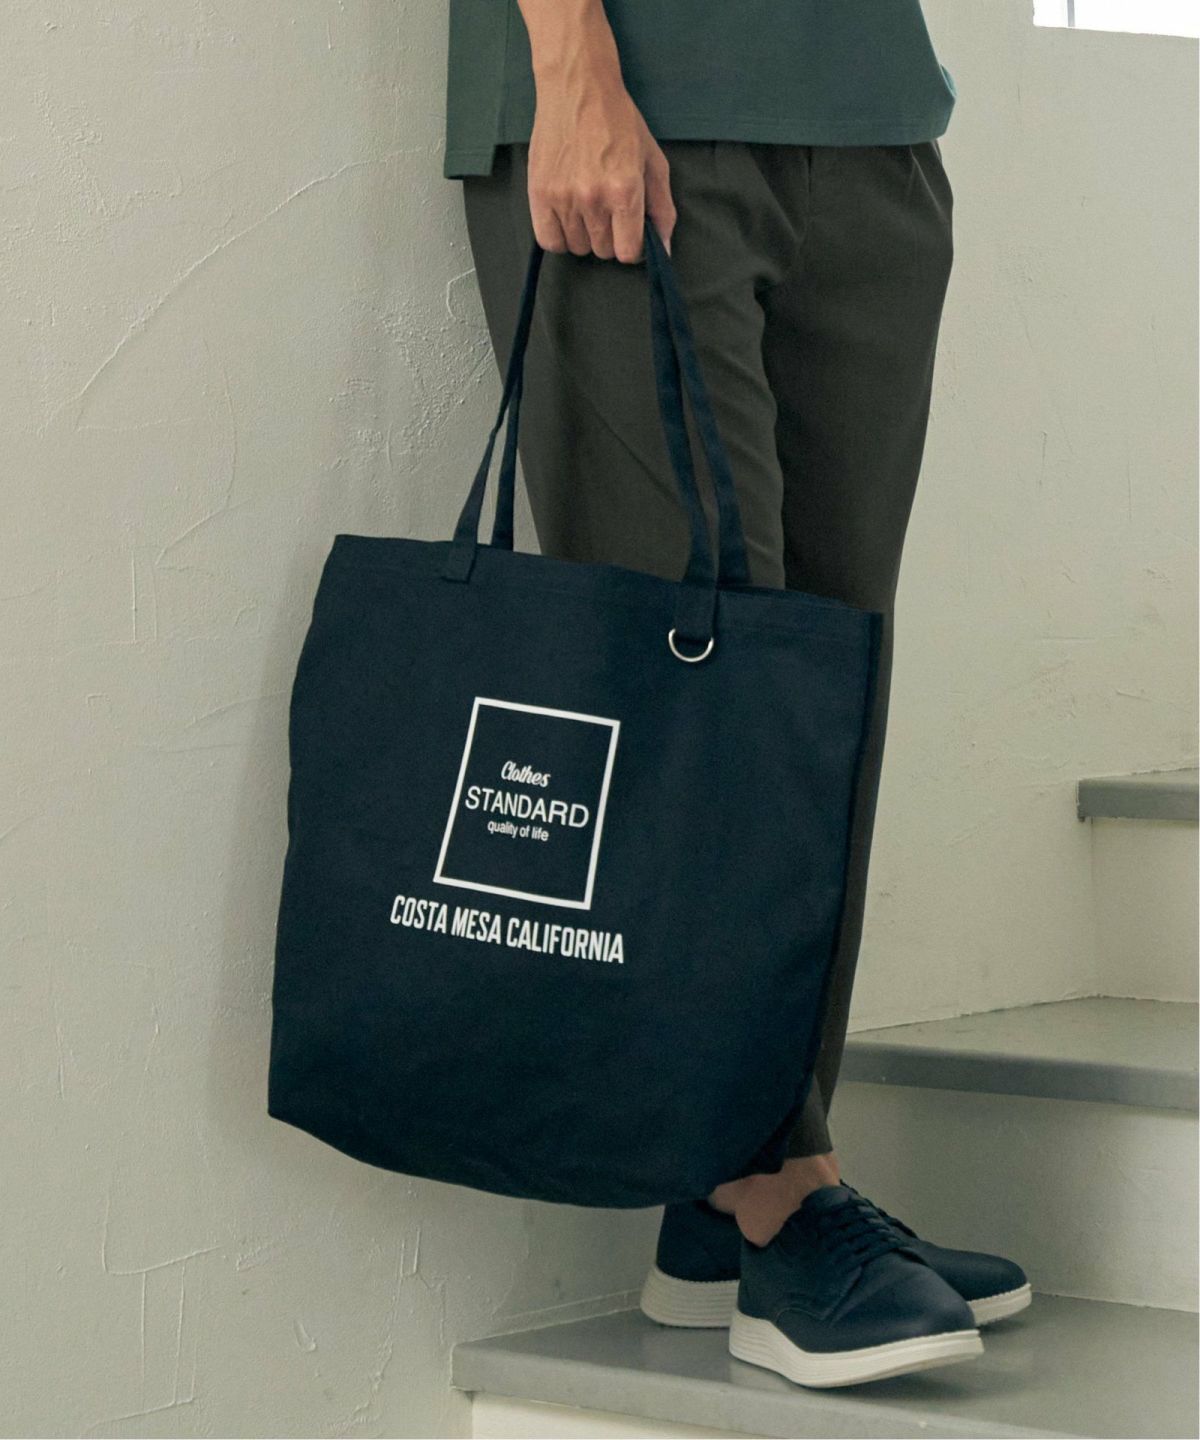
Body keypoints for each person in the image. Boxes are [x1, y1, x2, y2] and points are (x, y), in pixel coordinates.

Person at [444, 0, 1029, 1389]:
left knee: (821, 689)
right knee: (701, 683)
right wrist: (571, 66)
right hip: (644, 107)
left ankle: (741, 1197)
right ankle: (767, 1196)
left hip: (869, 119)